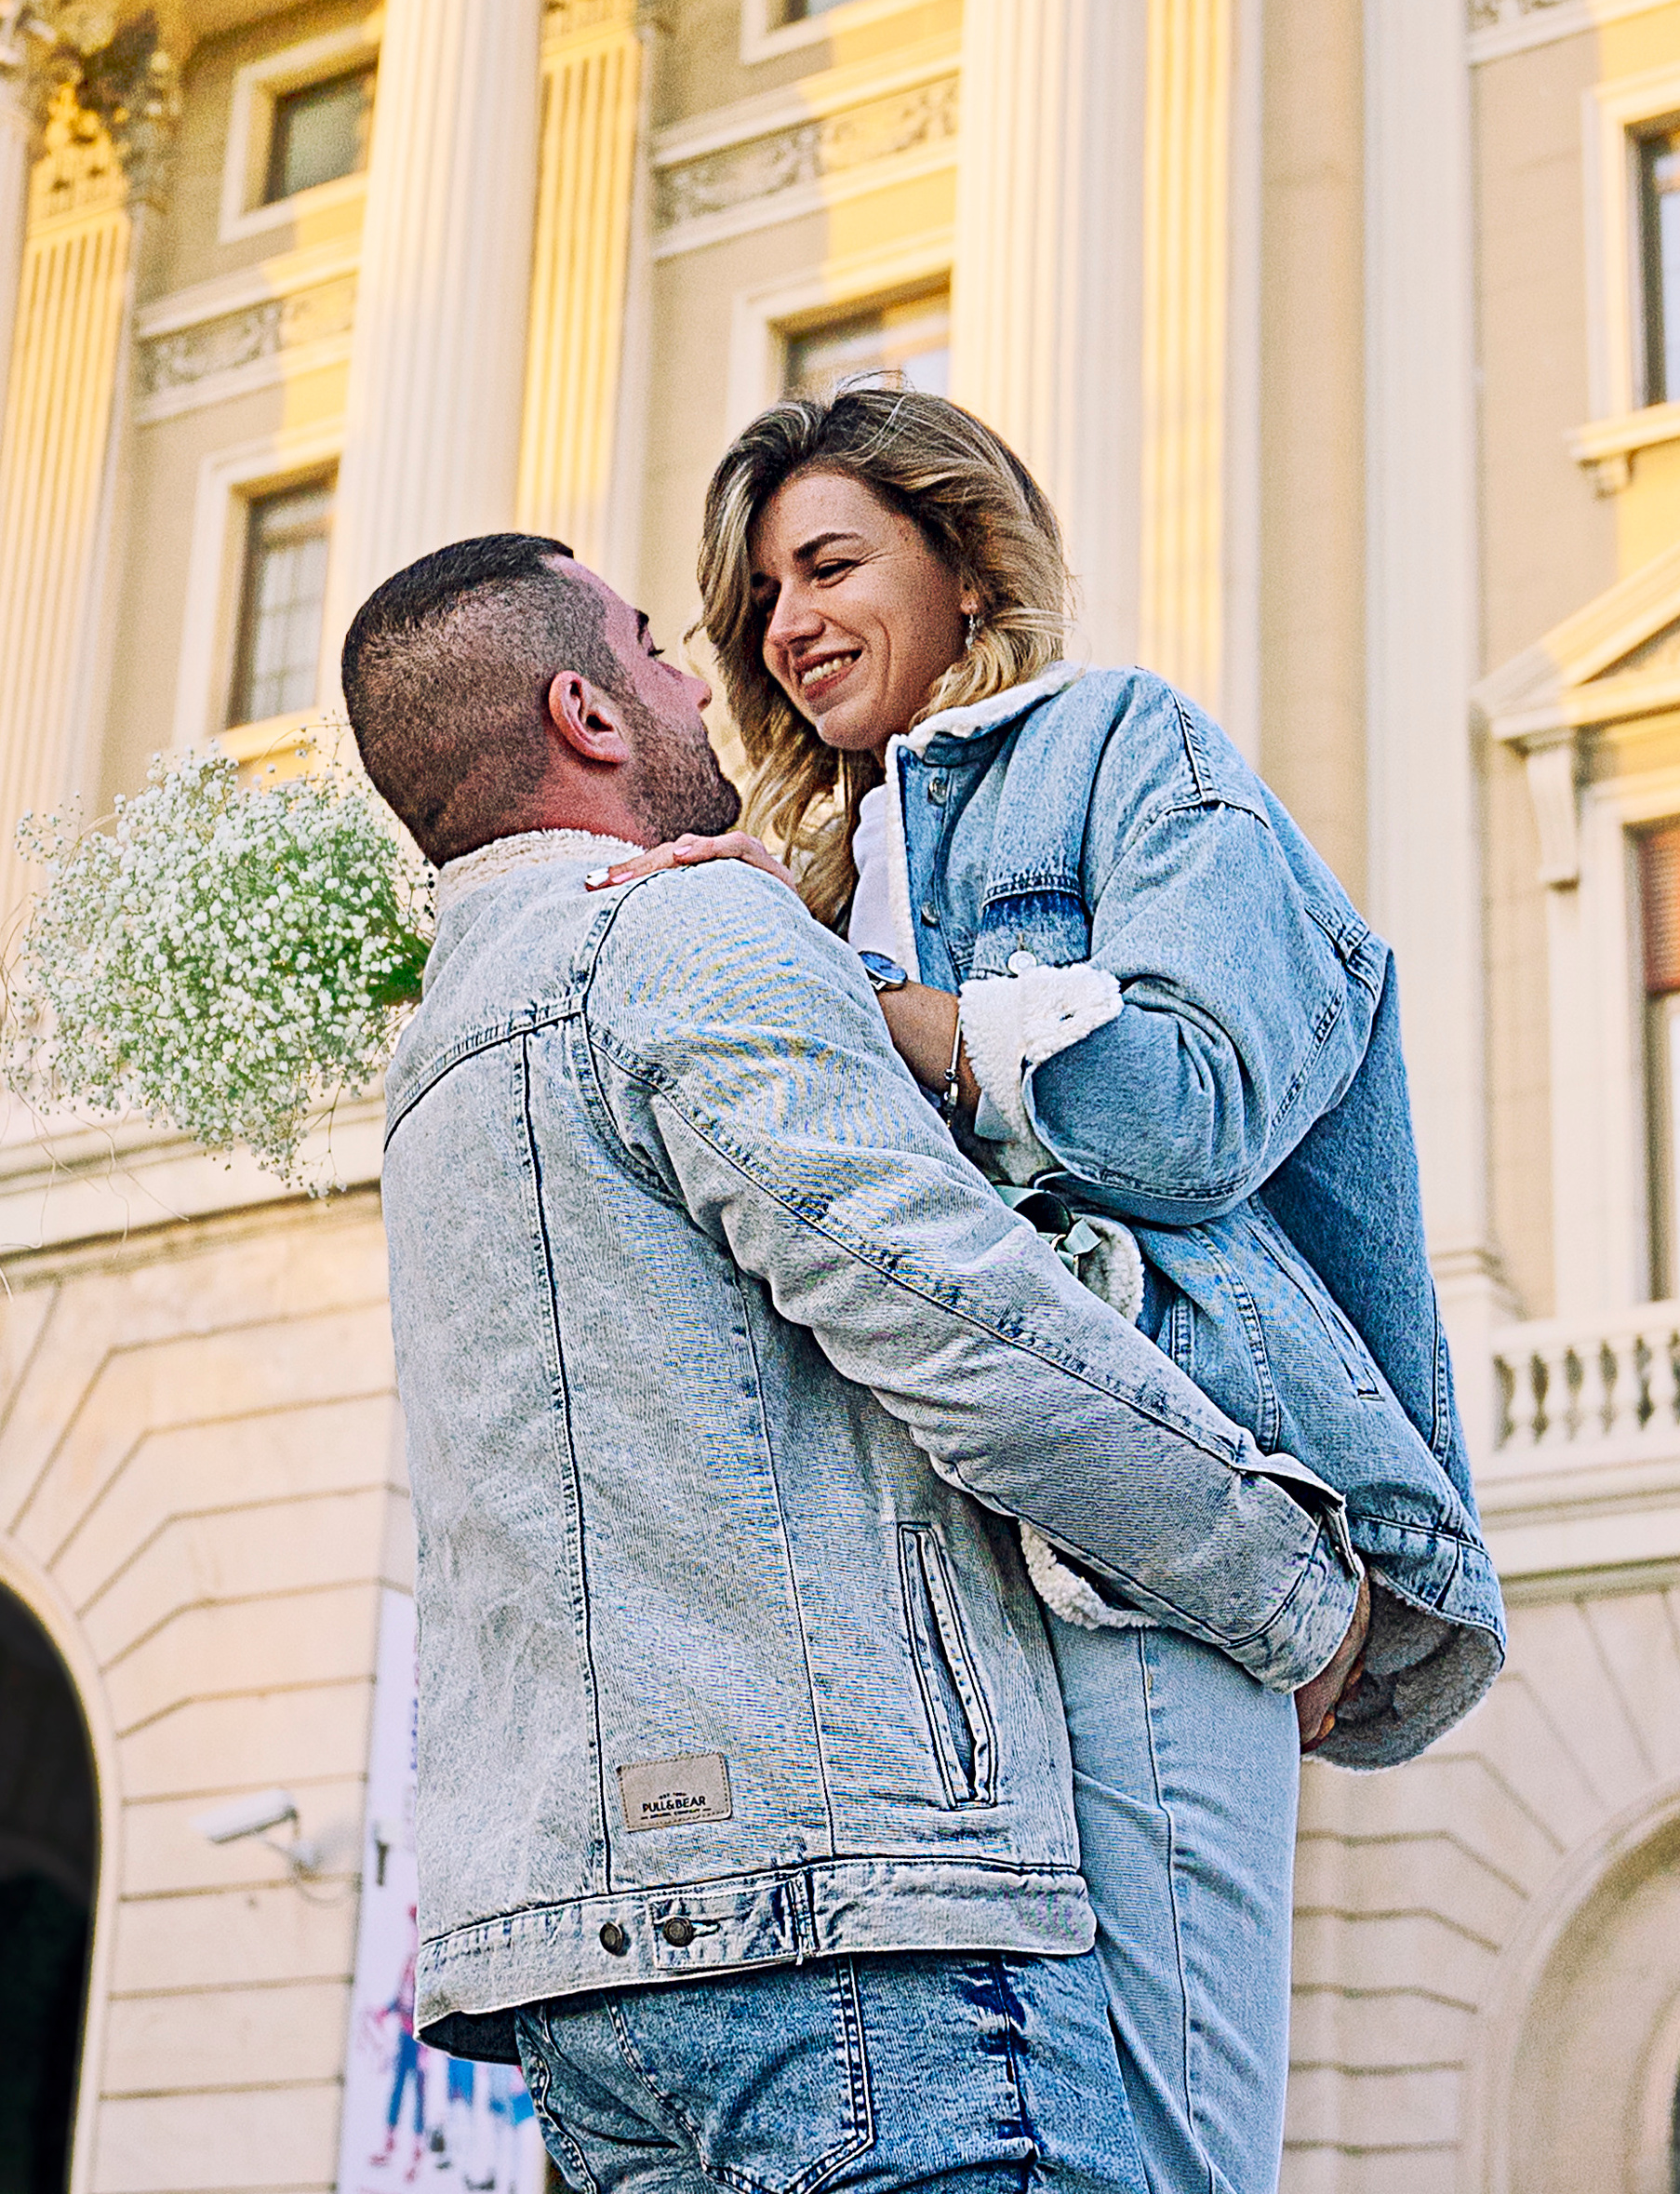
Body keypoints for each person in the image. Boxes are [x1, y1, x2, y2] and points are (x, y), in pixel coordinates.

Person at [343, 533, 1371, 2194]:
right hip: (847, 1920)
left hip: (575, 1982)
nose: (704, 677)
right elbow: (961, 1322)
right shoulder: (678, 941)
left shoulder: (436, 1059)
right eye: (660, 651)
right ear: (586, 714)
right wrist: (1282, 1579)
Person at [597, 388, 1506, 2194]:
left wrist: (890, 1029)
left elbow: (1198, 1099)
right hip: (900, 1571)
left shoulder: (1114, 744)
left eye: (831, 562)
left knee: (1160, 2143)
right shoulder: (804, 881)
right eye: (759, 594)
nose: (787, 624)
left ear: (964, 561)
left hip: (1143, 1530)